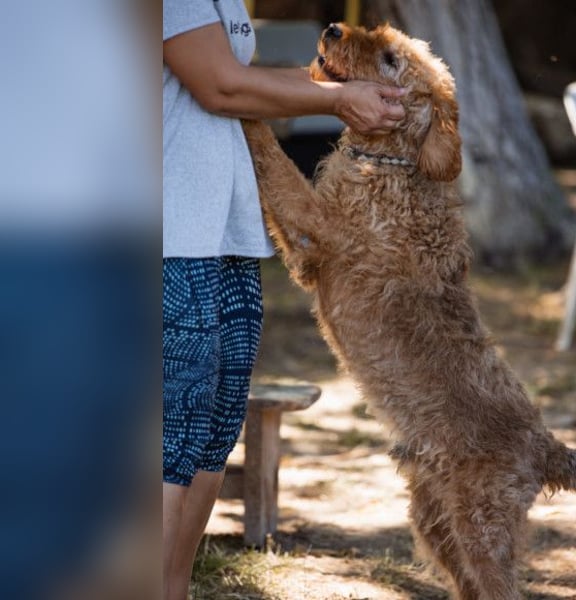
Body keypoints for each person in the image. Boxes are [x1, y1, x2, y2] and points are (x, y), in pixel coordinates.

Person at [162, 2, 406, 599]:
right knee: (169, 437)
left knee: (213, 429)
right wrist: (335, 101)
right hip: (166, 229)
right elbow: (220, 86)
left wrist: (352, 85)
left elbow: (245, 75)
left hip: (222, 231)